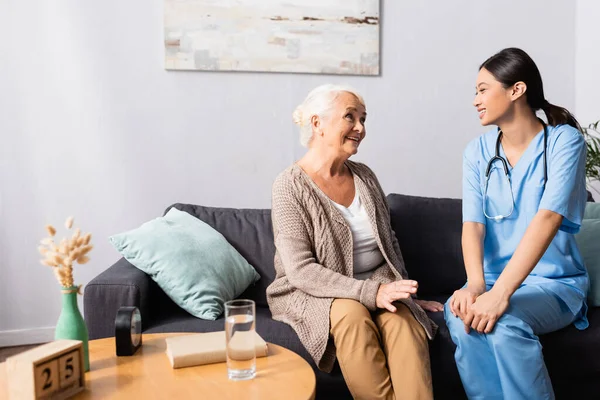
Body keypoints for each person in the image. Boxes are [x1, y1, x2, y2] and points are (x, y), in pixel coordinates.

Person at [267, 84, 442, 400]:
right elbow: (301, 271)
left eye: (363, 119)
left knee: (403, 321)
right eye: (351, 117)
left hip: (378, 283)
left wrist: (401, 290)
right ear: (318, 123)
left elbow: (389, 242)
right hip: (314, 292)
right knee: (352, 315)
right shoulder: (288, 186)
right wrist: (371, 293)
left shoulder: (365, 175)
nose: (360, 128)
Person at [445, 47, 589, 400]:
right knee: (462, 318)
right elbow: (473, 225)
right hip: (491, 279)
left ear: (516, 90)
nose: (475, 100)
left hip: (554, 284)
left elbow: (548, 217)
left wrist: (501, 294)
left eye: (482, 89)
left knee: (503, 321)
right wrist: (476, 285)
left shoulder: (563, 141)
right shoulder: (477, 152)